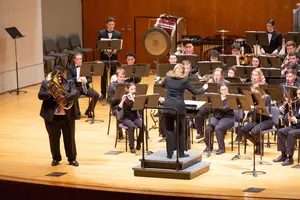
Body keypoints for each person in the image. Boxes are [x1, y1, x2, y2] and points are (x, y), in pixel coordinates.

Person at [161, 64, 208, 158]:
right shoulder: (184, 81)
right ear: (182, 72)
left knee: (169, 131)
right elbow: (195, 92)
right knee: (180, 131)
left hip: (168, 107)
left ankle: (169, 154)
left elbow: (162, 85)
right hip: (179, 108)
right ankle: (180, 153)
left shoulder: (168, 78)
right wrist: (204, 88)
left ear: (174, 70)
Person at [38, 66, 79, 167]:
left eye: (61, 73)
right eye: (57, 74)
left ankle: (72, 159)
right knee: (53, 139)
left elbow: (75, 93)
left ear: (64, 73)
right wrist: (52, 93)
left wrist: (64, 97)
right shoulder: (46, 83)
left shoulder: (69, 82)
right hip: (52, 117)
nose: (59, 76)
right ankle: (56, 158)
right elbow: (40, 95)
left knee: (69, 138)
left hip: (67, 117)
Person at [239, 84, 273, 155]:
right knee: (243, 130)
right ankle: (258, 144)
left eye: (254, 91)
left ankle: (259, 146)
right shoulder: (253, 98)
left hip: (266, 120)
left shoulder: (266, 97)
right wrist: (249, 109)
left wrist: (258, 108)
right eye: (252, 91)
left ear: (259, 90)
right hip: (256, 120)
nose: (253, 93)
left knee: (254, 131)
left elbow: (267, 112)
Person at [204, 85, 235, 155]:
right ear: (220, 91)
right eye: (222, 89)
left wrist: (215, 103)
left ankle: (221, 148)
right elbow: (211, 109)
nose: (224, 91)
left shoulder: (230, 98)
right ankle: (209, 147)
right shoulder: (216, 98)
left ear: (228, 90)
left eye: (225, 89)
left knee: (218, 128)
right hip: (216, 117)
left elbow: (225, 109)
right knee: (208, 128)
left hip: (228, 118)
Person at [67, 53, 100, 118]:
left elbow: (90, 79)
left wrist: (86, 81)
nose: (79, 61)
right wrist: (77, 79)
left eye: (80, 59)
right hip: (76, 88)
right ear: (74, 60)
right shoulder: (70, 68)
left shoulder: (85, 67)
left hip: (85, 87)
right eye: (78, 59)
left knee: (96, 95)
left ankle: (89, 110)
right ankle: (77, 112)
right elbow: (69, 80)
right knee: (74, 96)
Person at [274, 87, 300, 166]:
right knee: (280, 131)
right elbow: (296, 115)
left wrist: (296, 121)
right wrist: (292, 118)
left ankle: (290, 158)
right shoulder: (297, 103)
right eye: (298, 94)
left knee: (291, 133)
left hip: (298, 125)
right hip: (297, 126)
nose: (298, 96)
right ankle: (283, 155)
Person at [98, 17, 122, 99]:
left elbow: (120, 46)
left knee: (113, 75)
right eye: (110, 24)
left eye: (112, 24)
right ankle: (103, 94)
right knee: (103, 76)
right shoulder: (101, 33)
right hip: (104, 57)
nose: (111, 26)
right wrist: (103, 49)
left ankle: (113, 94)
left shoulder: (118, 34)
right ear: (106, 25)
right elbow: (98, 45)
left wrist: (116, 50)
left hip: (113, 57)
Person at [117, 83, 143, 153]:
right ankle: (131, 146)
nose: (133, 90)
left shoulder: (136, 97)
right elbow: (119, 109)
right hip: (126, 118)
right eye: (131, 89)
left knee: (142, 126)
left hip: (135, 117)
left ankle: (139, 141)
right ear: (128, 90)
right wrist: (122, 101)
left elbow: (139, 107)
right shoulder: (125, 97)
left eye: (134, 89)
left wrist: (133, 99)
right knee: (131, 126)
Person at [108, 68, 127, 139]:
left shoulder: (126, 86)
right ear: (117, 77)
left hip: (125, 106)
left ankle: (129, 130)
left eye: (123, 77)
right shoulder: (112, 86)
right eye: (120, 77)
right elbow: (109, 100)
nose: (122, 79)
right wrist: (117, 97)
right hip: (115, 107)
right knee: (120, 112)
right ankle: (120, 132)